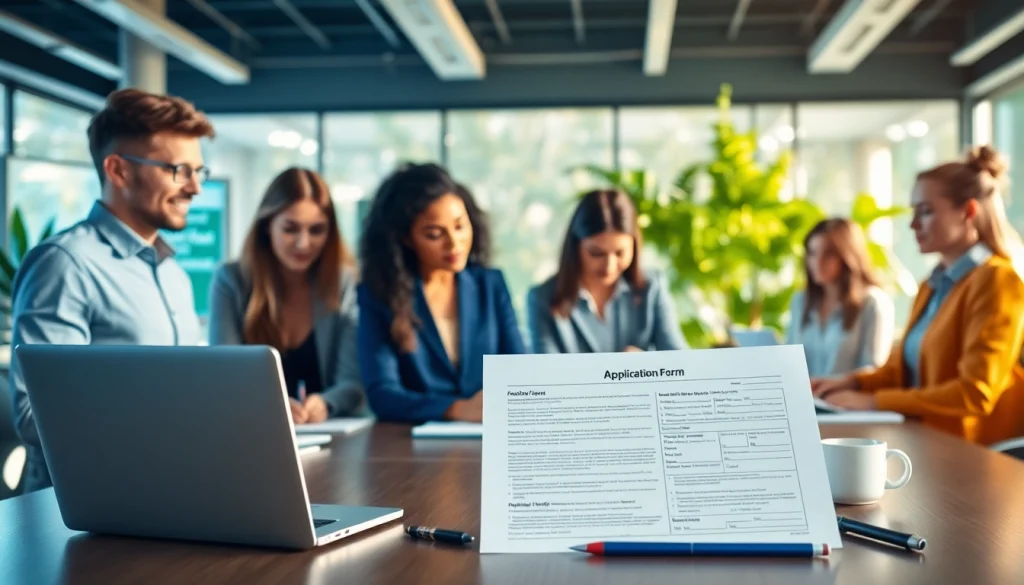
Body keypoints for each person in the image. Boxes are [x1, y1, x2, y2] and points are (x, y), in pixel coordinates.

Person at [9, 88, 215, 491]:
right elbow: (36, 414)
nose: (195, 189)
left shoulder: (174, 274)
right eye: (179, 171)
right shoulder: (64, 264)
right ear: (118, 170)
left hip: (170, 486)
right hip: (88, 508)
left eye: (198, 171)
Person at [813, 146, 1024, 444]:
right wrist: (851, 382)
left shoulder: (998, 281)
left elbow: (975, 393)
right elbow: (902, 371)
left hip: (972, 451)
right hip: (925, 438)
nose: (913, 225)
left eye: (925, 212)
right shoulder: (932, 285)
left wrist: (874, 402)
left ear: (968, 211)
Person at [357, 163, 525, 423]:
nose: (454, 243)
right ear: (405, 238)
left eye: (460, 226)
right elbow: (383, 394)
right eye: (434, 234)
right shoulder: (379, 295)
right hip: (413, 441)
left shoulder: (490, 284)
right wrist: (456, 408)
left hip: (491, 429)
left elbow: (520, 369)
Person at [208, 168, 365, 423]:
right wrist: (268, 404)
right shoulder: (230, 280)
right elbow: (223, 376)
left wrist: (327, 403)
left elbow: (353, 381)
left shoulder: (344, 282)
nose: (304, 244)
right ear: (267, 226)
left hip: (327, 433)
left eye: (316, 230)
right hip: (252, 428)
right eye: (290, 229)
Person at [527, 189, 686, 353]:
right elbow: (547, 373)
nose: (609, 266)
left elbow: (679, 360)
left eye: (620, 253)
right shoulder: (542, 298)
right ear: (576, 247)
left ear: (634, 246)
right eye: (596, 253)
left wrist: (647, 366)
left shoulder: (651, 287)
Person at [786, 218, 894, 377]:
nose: (818, 262)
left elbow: (872, 369)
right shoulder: (801, 301)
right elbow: (790, 360)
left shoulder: (873, 303)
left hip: (844, 399)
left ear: (847, 256)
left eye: (828, 254)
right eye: (812, 253)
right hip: (803, 398)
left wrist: (831, 388)